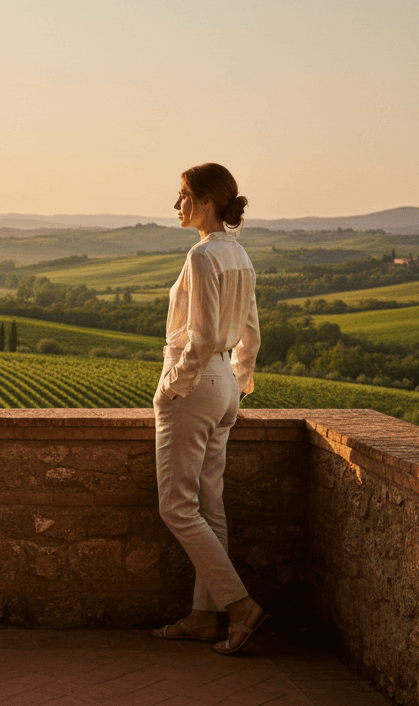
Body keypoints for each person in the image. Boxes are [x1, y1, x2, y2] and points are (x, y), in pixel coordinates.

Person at [149, 162, 265, 655]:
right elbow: (250, 332)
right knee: (209, 505)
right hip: (224, 386)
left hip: (194, 384)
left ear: (206, 202)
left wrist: (172, 386)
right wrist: (238, 379)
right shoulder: (239, 255)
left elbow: (199, 336)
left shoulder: (201, 256)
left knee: (176, 507)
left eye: (183, 196)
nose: (177, 205)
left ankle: (239, 606)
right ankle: (203, 617)